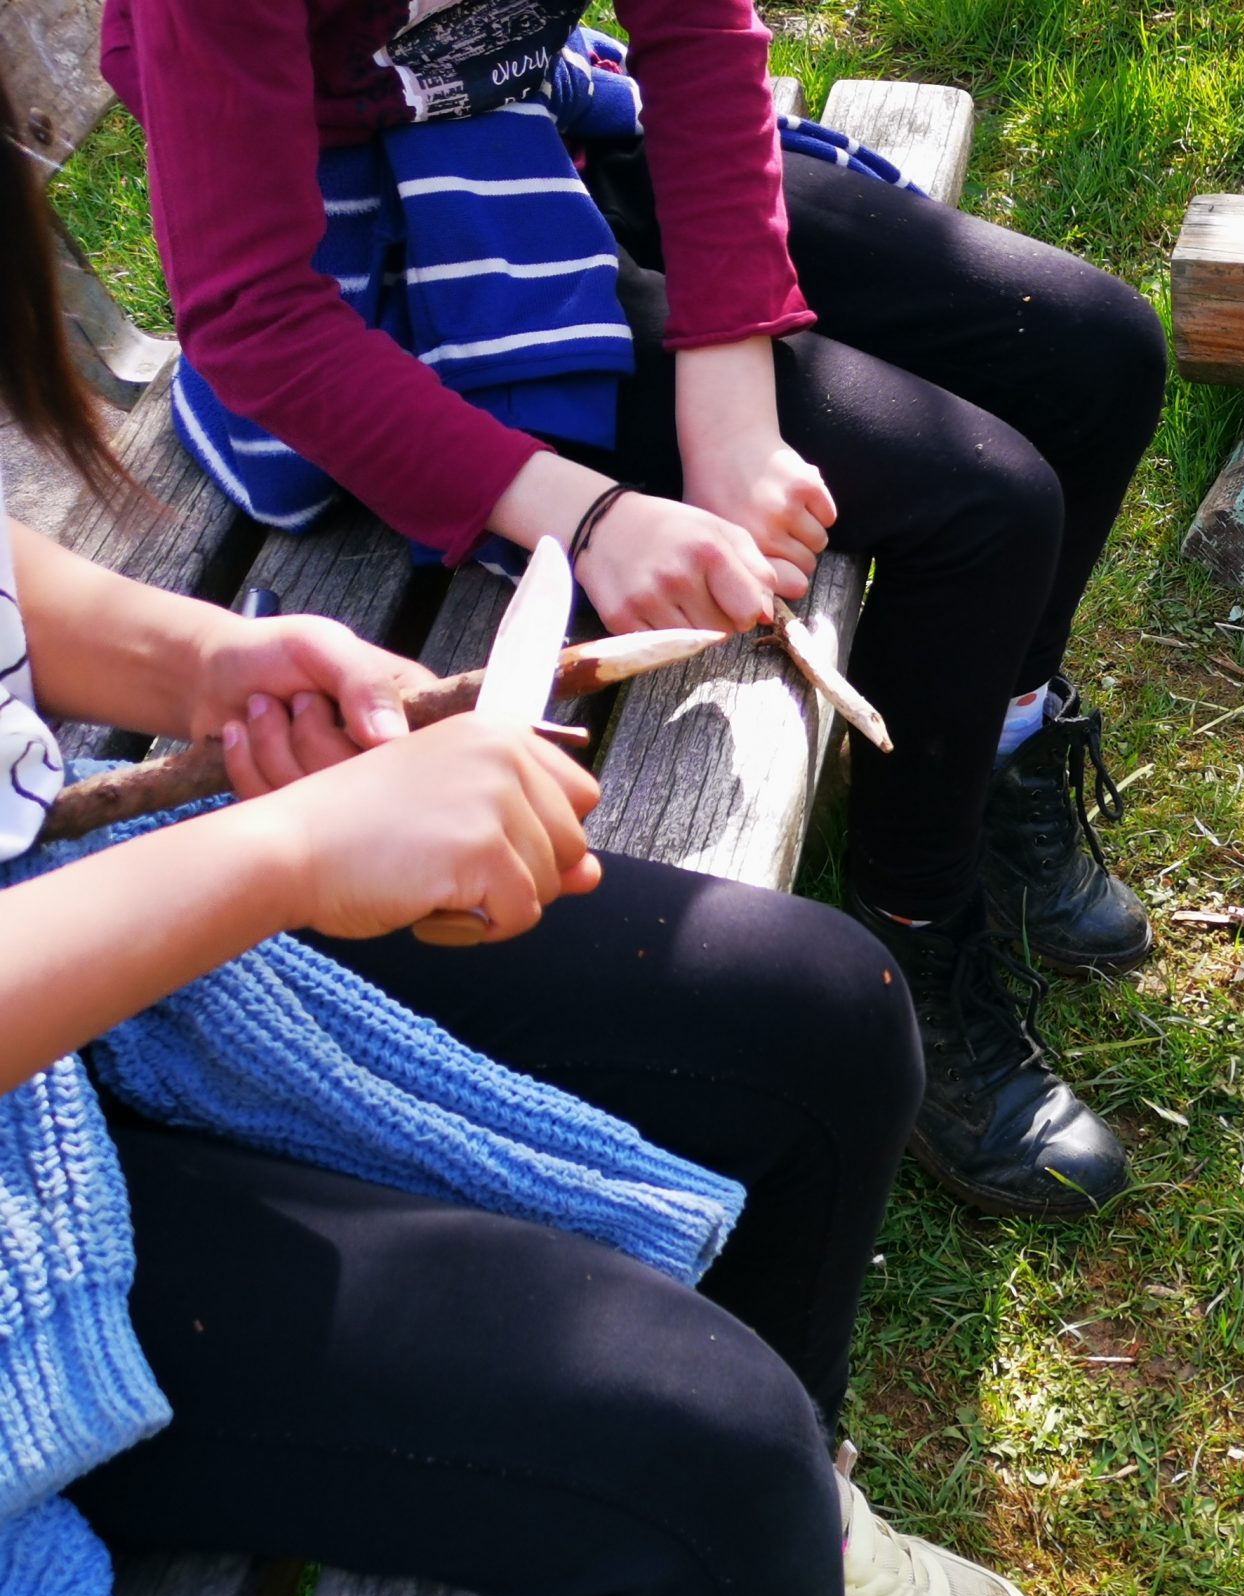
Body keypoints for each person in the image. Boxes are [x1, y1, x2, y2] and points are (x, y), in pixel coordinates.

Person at [0, 69, 1025, 1596]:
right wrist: (287, 858)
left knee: (819, 1018)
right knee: (696, 1447)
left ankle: (770, 1565)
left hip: (65, 958)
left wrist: (220, 664)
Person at [100, 0, 1169, 1215]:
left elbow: (699, 36)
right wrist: (595, 517)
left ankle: (996, 764)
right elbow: (255, 319)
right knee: (986, 507)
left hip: (533, 126)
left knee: (1097, 352)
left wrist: (735, 413)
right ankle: (915, 926)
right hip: (383, 270)